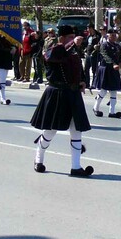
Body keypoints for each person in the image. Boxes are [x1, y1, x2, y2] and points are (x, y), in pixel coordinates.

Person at [30, 25, 93, 177]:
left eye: (73, 37)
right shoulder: (54, 49)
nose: (73, 40)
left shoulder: (72, 51)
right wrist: (70, 44)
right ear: (62, 38)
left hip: (73, 94)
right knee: (51, 130)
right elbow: (50, 57)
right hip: (58, 94)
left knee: (76, 130)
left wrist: (82, 81)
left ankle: (76, 167)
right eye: (70, 37)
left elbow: (78, 68)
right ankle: (39, 158)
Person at [92, 28, 121, 118]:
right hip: (106, 69)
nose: (114, 37)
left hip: (114, 70)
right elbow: (105, 56)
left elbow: (120, 56)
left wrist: (120, 63)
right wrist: (113, 64)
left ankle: (112, 112)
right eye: (112, 35)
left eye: (115, 35)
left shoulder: (117, 46)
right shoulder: (104, 45)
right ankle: (96, 108)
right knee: (104, 90)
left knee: (113, 91)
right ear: (108, 35)